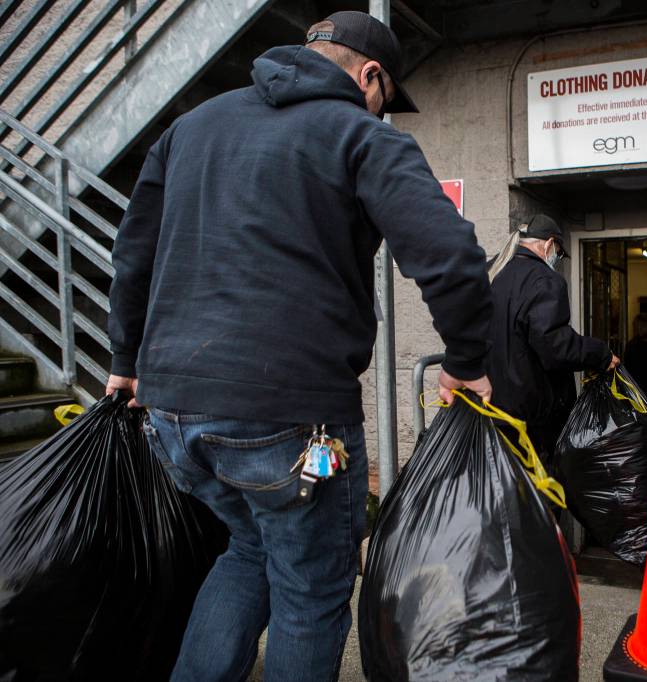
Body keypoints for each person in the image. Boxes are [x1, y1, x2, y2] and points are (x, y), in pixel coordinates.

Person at [104, 12, 492, 681]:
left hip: (171, 415)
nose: (382, 110)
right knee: (310, 592)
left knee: (249, 548)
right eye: (385, 95)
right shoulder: (360, 134)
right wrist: (467, 363)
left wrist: (122, 362)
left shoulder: (191, 127)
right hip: (289, 421)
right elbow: (452, 258)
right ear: (370, 75)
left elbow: (132, 254)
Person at [487, 214, 619, 468]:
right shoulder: (544, 280)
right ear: (548, 245)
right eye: (558, 252)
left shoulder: (493, 273)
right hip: (530, 418)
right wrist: (600, 354)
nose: (557, 259)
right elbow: (555, 346)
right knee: (537, 490)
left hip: (489, 411)